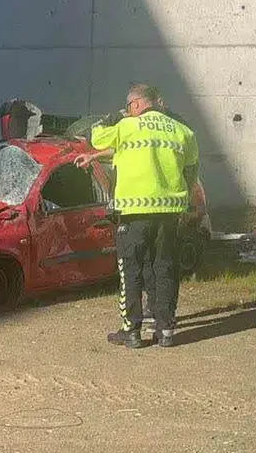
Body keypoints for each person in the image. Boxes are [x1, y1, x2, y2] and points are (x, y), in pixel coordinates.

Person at [75, 83, 198, 348]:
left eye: (129, 106)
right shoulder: (182, 130)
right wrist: (185, 200)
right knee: (164, 268)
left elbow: (97, 135)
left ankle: (131, 330)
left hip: (134, 213)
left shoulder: (126, 125)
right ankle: (165, 331)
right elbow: (190, 168)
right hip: (169, 213)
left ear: (136, 104)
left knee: (130, 270)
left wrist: (113, 117)